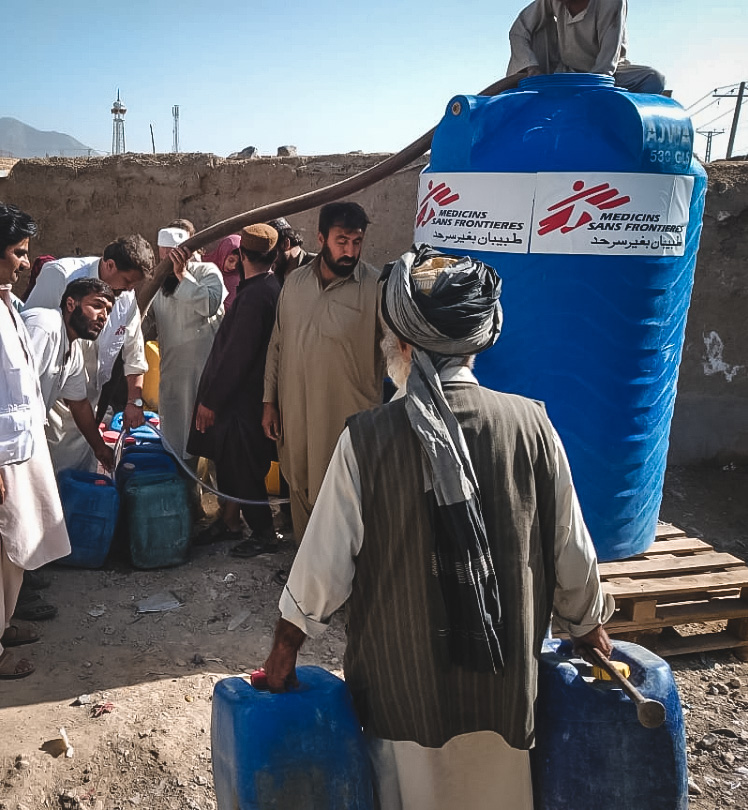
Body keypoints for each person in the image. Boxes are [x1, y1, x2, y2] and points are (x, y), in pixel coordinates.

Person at [264, 245, 615, 809]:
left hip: (402, 691)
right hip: (503, 689)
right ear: (476, 340)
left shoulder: (369, 438)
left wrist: (283, 655)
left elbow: (320, 569)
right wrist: (590, 628)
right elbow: (571, 551)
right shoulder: (533, 425)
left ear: (403, 343)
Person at [263, 202, 384, 544]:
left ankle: (347, 580)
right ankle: (308, 577)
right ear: (321, 238)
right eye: (341, 240)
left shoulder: (375, 287)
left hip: (347, 421)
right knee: (299, 485)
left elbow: (398, 351)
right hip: (297, 416)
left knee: (347, 495)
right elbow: (277, 344)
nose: (350, 251)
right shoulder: (294, 284)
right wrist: (269, 402)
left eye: (357, 242)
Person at [0, 203, 70, 680]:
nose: (26, 263)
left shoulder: (6, 302)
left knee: (15, 549)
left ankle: (2, 626)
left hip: (19, 449)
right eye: (18, 253)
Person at [23, 235, 153, 471]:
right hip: (47, 400)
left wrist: (134, 400)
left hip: (85, 399)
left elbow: (133, 351)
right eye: (127, 281)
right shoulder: (61, 275)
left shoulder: (125, 297)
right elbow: (29, 343)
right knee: (43, 470)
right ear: (110, 264)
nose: (130, 289)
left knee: (80, 473)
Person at [189, 224, 281, 552]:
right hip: (247, 397)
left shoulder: (256, 297)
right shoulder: (266, 287)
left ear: (242, 255)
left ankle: (263, 533)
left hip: (243, 400)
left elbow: (236, 357)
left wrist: (211, 400)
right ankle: (229, 521)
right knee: (232, 463)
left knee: (244, 469)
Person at [150, 226, 226, 469]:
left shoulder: (206, 271)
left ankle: (221, 500)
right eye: (165, 255)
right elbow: (144, 319)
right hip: (173, 373)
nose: (170, 260)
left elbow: (209, 305)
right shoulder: (158, 282)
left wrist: (182, 274)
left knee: (213, 442)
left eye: (175, 254)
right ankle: (186, 494)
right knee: (176, 439)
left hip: (206, 374)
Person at [22, 278, 116, 473]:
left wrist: (100, 448)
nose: (103, 316)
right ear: (71, 304)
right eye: (97, 306)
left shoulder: (72, 351)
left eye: (108, 311)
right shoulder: (44, 327)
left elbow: (79, 403)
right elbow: (13, 388)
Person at [507, 0, 666, 94]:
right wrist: (532, 68)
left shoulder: (610, 3)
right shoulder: (553, 2)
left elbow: (607, 63)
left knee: (654, 78)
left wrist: (588, 91)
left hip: (609, 76)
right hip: (565, 72)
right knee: (537, 27)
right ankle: (530, 90)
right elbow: (518, 30)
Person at [267, 218, 315, 286]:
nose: (270, 261)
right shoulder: (277, 275)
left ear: (286, 244)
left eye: (271, 253)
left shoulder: (316, 267)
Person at [202, 234, 242, 310]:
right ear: (223, 252)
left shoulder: (239, 280)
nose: (233, 267)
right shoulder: (203, 267)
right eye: (231, 260)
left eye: (238, 263)